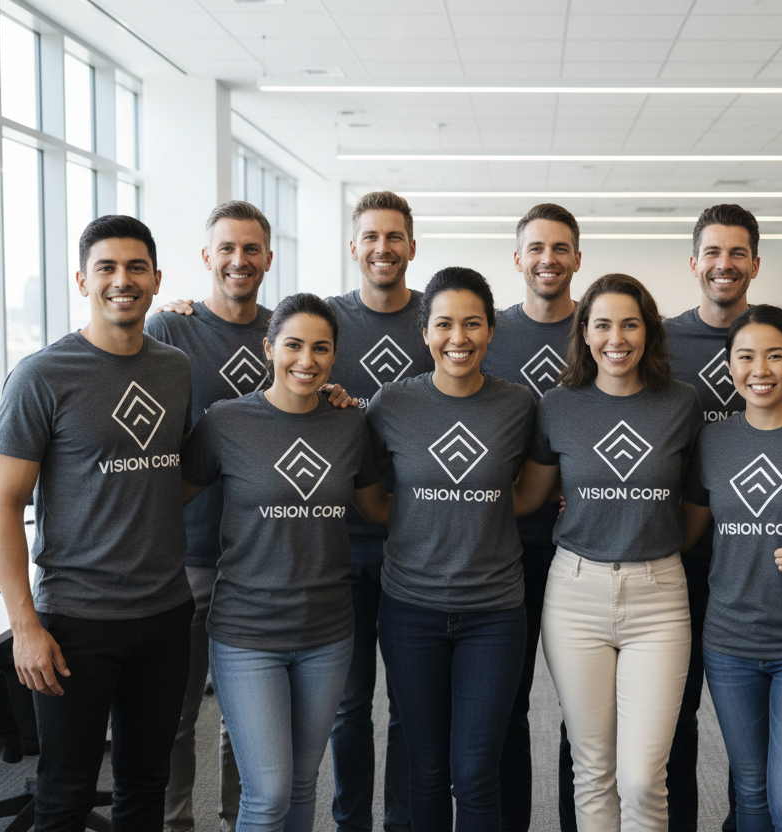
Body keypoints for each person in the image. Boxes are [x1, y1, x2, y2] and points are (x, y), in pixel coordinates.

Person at [0, 215, 194, 831]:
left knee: (143, 786)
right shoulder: (42, 375)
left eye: (135, 268)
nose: (121, 280)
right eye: (107, 267)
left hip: (164, 613)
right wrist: (24, 625)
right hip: (76, 621)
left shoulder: (175, 370)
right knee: (65, 793)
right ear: (83, 280)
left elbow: (166, 475)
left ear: (157, 280)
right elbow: (2, 503)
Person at [661, 204, 782, 832]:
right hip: (725, 623)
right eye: (746, 359)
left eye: (776, 358)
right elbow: (690, 520)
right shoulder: (708, 433)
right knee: (747, 792)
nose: (761, 370)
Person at [181, 293, 390, 832]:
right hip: (246, 633)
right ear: (269, 347)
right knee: (268, 791)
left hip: (327, 631)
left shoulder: (349, 424)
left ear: (334, 357)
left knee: (302, 784)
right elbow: (164, 499)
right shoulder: (226, 422)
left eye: (321, 348)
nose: (307, 359)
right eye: (293, 345)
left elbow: (378, 508)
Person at [514, 274, 700, 832]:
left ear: (649, 332)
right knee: (593, 769)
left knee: (644, 776)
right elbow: (529, 496)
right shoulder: (558, 405)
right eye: (602, 324)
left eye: (629, 323)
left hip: (659, 596)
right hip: (575, 592)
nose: (615, 338)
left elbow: (694, 503)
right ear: (584, 333)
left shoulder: (681, 403)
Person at [366, 267, 536, 832]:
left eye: (472, 324)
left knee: (477, 771)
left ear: (492, 332)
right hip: (410, 609)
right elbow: (372, 498)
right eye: (444, 324)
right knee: (426, 767)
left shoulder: (518, 406)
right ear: (425, 331)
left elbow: (530, 494)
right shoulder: (391, 404)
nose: (457, 337)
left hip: (494, 613)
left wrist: (473, 512)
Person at [147, 199, 274, 832]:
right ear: (206, 258)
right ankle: (176, 823)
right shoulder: (171, 330)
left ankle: (237, 819)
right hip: (189, 552)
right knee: (175, 711)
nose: (239, 260)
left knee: (244, 715)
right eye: (227, 248)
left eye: (251, 249)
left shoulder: (287, 334)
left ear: (268, 259)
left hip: (262, 556)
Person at [327, 190, 433, 832]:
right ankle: (350, 824)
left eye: (395, 237)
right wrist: (182, 309)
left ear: (411, 248)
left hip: (412, 538)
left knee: (405, 708)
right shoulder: (327, 321)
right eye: (371, 236)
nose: (383, 248)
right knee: (347, 706)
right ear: (354, 246)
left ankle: (399, 823)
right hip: (337, 541)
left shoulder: (437, 319)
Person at [479, 202, 580, 832]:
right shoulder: (490, 332)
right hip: (504, 545)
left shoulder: (599, 330)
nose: (548, 259)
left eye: (561, 248)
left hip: (581, 548)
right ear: (518, 259)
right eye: (536, 248)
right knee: (505, 706)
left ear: (577, 258)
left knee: (585, 708)